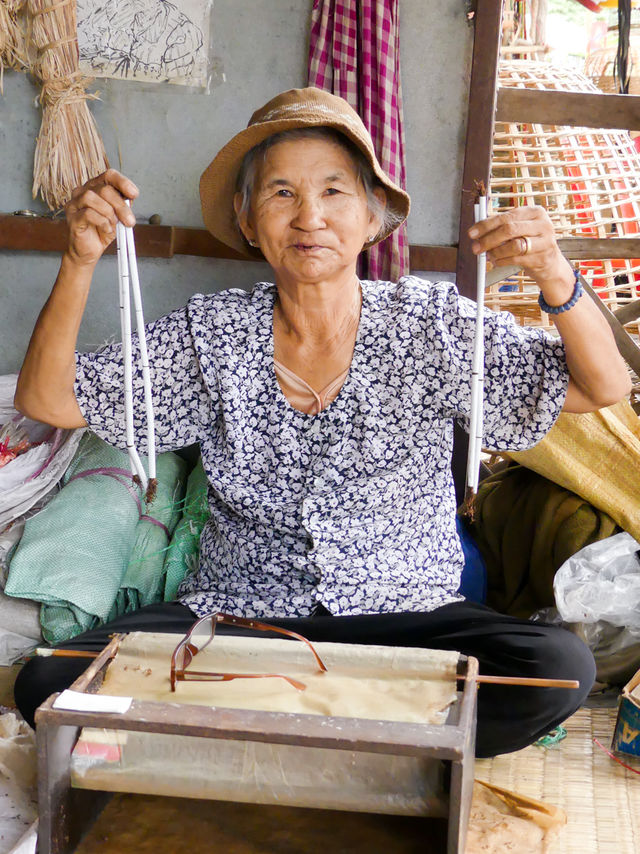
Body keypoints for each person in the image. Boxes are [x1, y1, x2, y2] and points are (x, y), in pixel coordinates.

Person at [13, 87, 630, 756]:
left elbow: (602, 386)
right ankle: (364, 734)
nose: (310, 216)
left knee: (557, 669)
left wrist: (552, 268)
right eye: (281, 194)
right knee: (49, 679)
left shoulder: (431, 326)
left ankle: (258, 732)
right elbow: (49, 400)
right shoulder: (214, 333)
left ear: (372, 216)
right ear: (249, 221)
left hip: (404, 620)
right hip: (241, 622)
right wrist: (78, 258)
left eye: (334, 192)